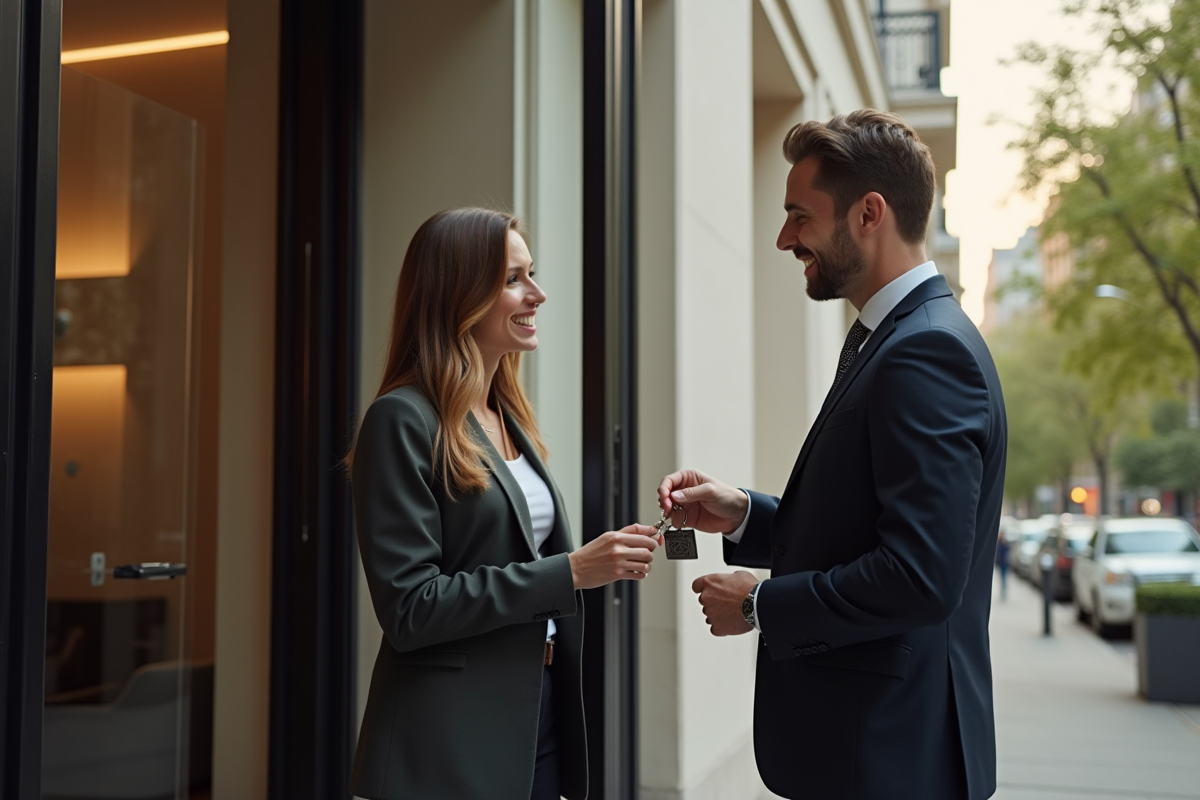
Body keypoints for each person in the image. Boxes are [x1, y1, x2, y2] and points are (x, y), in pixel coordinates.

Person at [658, 110, 1007, 800]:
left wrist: (761, 605)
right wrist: (744, 516)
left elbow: (919, 575)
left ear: (869, 214)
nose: (785, 238)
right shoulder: (895, 337)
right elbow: (870, 526)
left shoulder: (924, 352)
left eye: (799, 215)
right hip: (876, 750)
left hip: (886, 756)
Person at [349, 207, 660, 800]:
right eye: (514, 279)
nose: (537, 294)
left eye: (532, 273)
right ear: (458, 294)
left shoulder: (507, 415)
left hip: (534, 715)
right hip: (446, 737)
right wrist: (570, 571)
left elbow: (513, 549)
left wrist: (602, 557)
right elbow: (411, 609)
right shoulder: (401, 419)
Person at [996, 527, 1012, 600]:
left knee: (1004, 577)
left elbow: (1008, 552)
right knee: (1002, 577)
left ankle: (1004, 589)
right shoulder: (999, 543)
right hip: (1001, 563)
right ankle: (1003, 589)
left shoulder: (1006, 543)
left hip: (1005, 563)